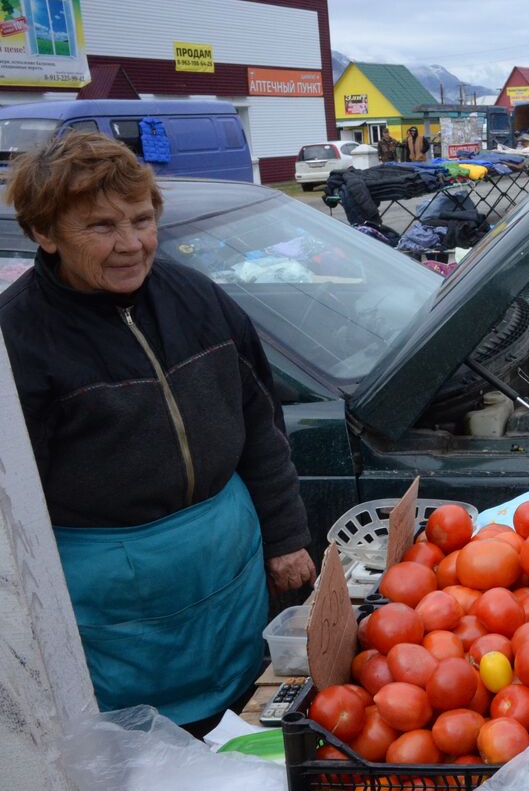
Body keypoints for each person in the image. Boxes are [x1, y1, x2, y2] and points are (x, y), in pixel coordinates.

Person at [0, 132, 315, 732]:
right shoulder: (16, 342)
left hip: (229, 570)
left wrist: (285, 535)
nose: (130, 245)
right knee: (144, 749)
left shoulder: (196, 297)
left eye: (141, 220)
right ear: (45, 234)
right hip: (110, 606)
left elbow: (259, 422)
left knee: (246, 728)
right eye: (100, 227)